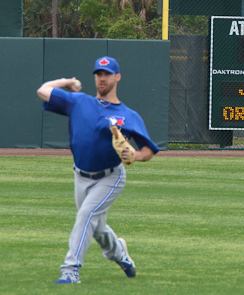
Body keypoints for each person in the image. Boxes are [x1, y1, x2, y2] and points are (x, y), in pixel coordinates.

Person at [37, 56, 159, 284]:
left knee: (85, 216)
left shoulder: (128, 115)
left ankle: (70, 270)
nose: (102, 78)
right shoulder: (78, 101)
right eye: (99, 74)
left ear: (117, 77)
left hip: (110, 176)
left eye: (107, 74)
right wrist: (66, 82)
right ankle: (119, 252)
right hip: (80, 176)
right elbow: (43, 91)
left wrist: (135, 156)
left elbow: (149, 150)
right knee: (97, 228)